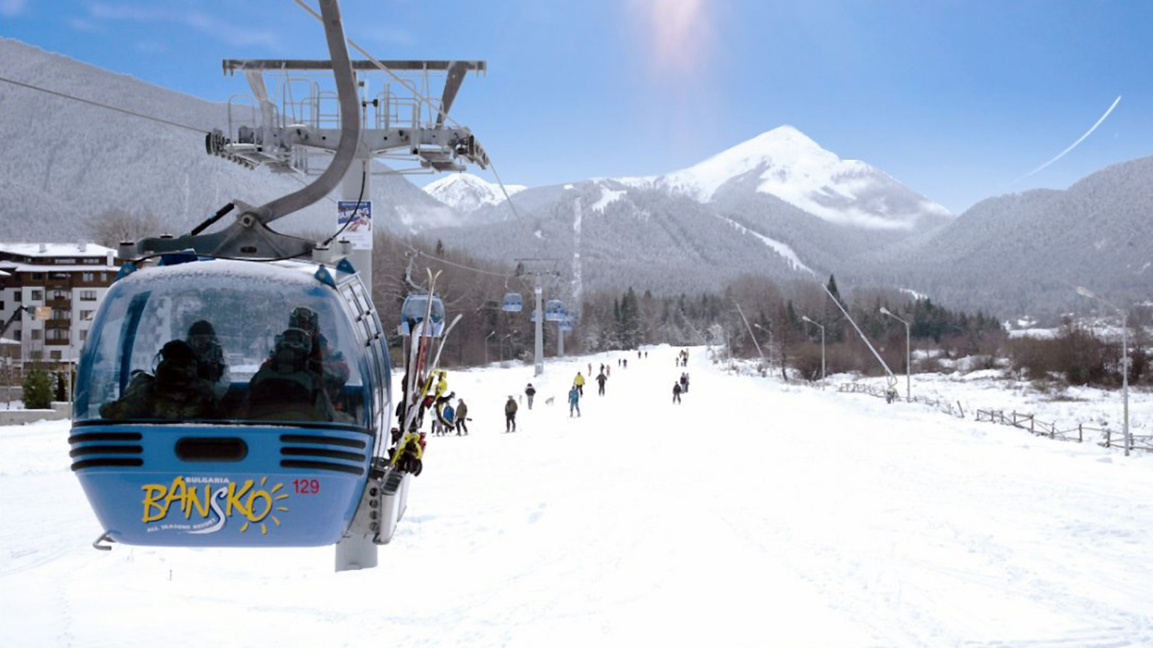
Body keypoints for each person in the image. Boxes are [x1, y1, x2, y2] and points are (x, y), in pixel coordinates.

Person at [100, 340, 217, 421]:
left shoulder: (146, 392)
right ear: (192, 364)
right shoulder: (206, 393)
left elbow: (109, 412)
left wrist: (135, 385)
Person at [247, 327, 334, 421]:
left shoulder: (260, 376)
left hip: (259, 431)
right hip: (301, 434)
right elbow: (325, 419)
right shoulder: (313, 381)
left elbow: (243, 413)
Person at [287, 306, 349, 404]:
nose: (303, 333)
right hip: (286, 409)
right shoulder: (283, 348)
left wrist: (313, 365)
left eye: (307, 328)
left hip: (322, 411)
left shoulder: (327, 351)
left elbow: (342, 373)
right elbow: (264, 373)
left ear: (316, 330)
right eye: (297, 327)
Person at [186, 320, 230, 400]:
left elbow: (221, 387)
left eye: (205, 339)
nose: (201, 343)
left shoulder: (216, 353)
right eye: (197, 339)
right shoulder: (183, 354)